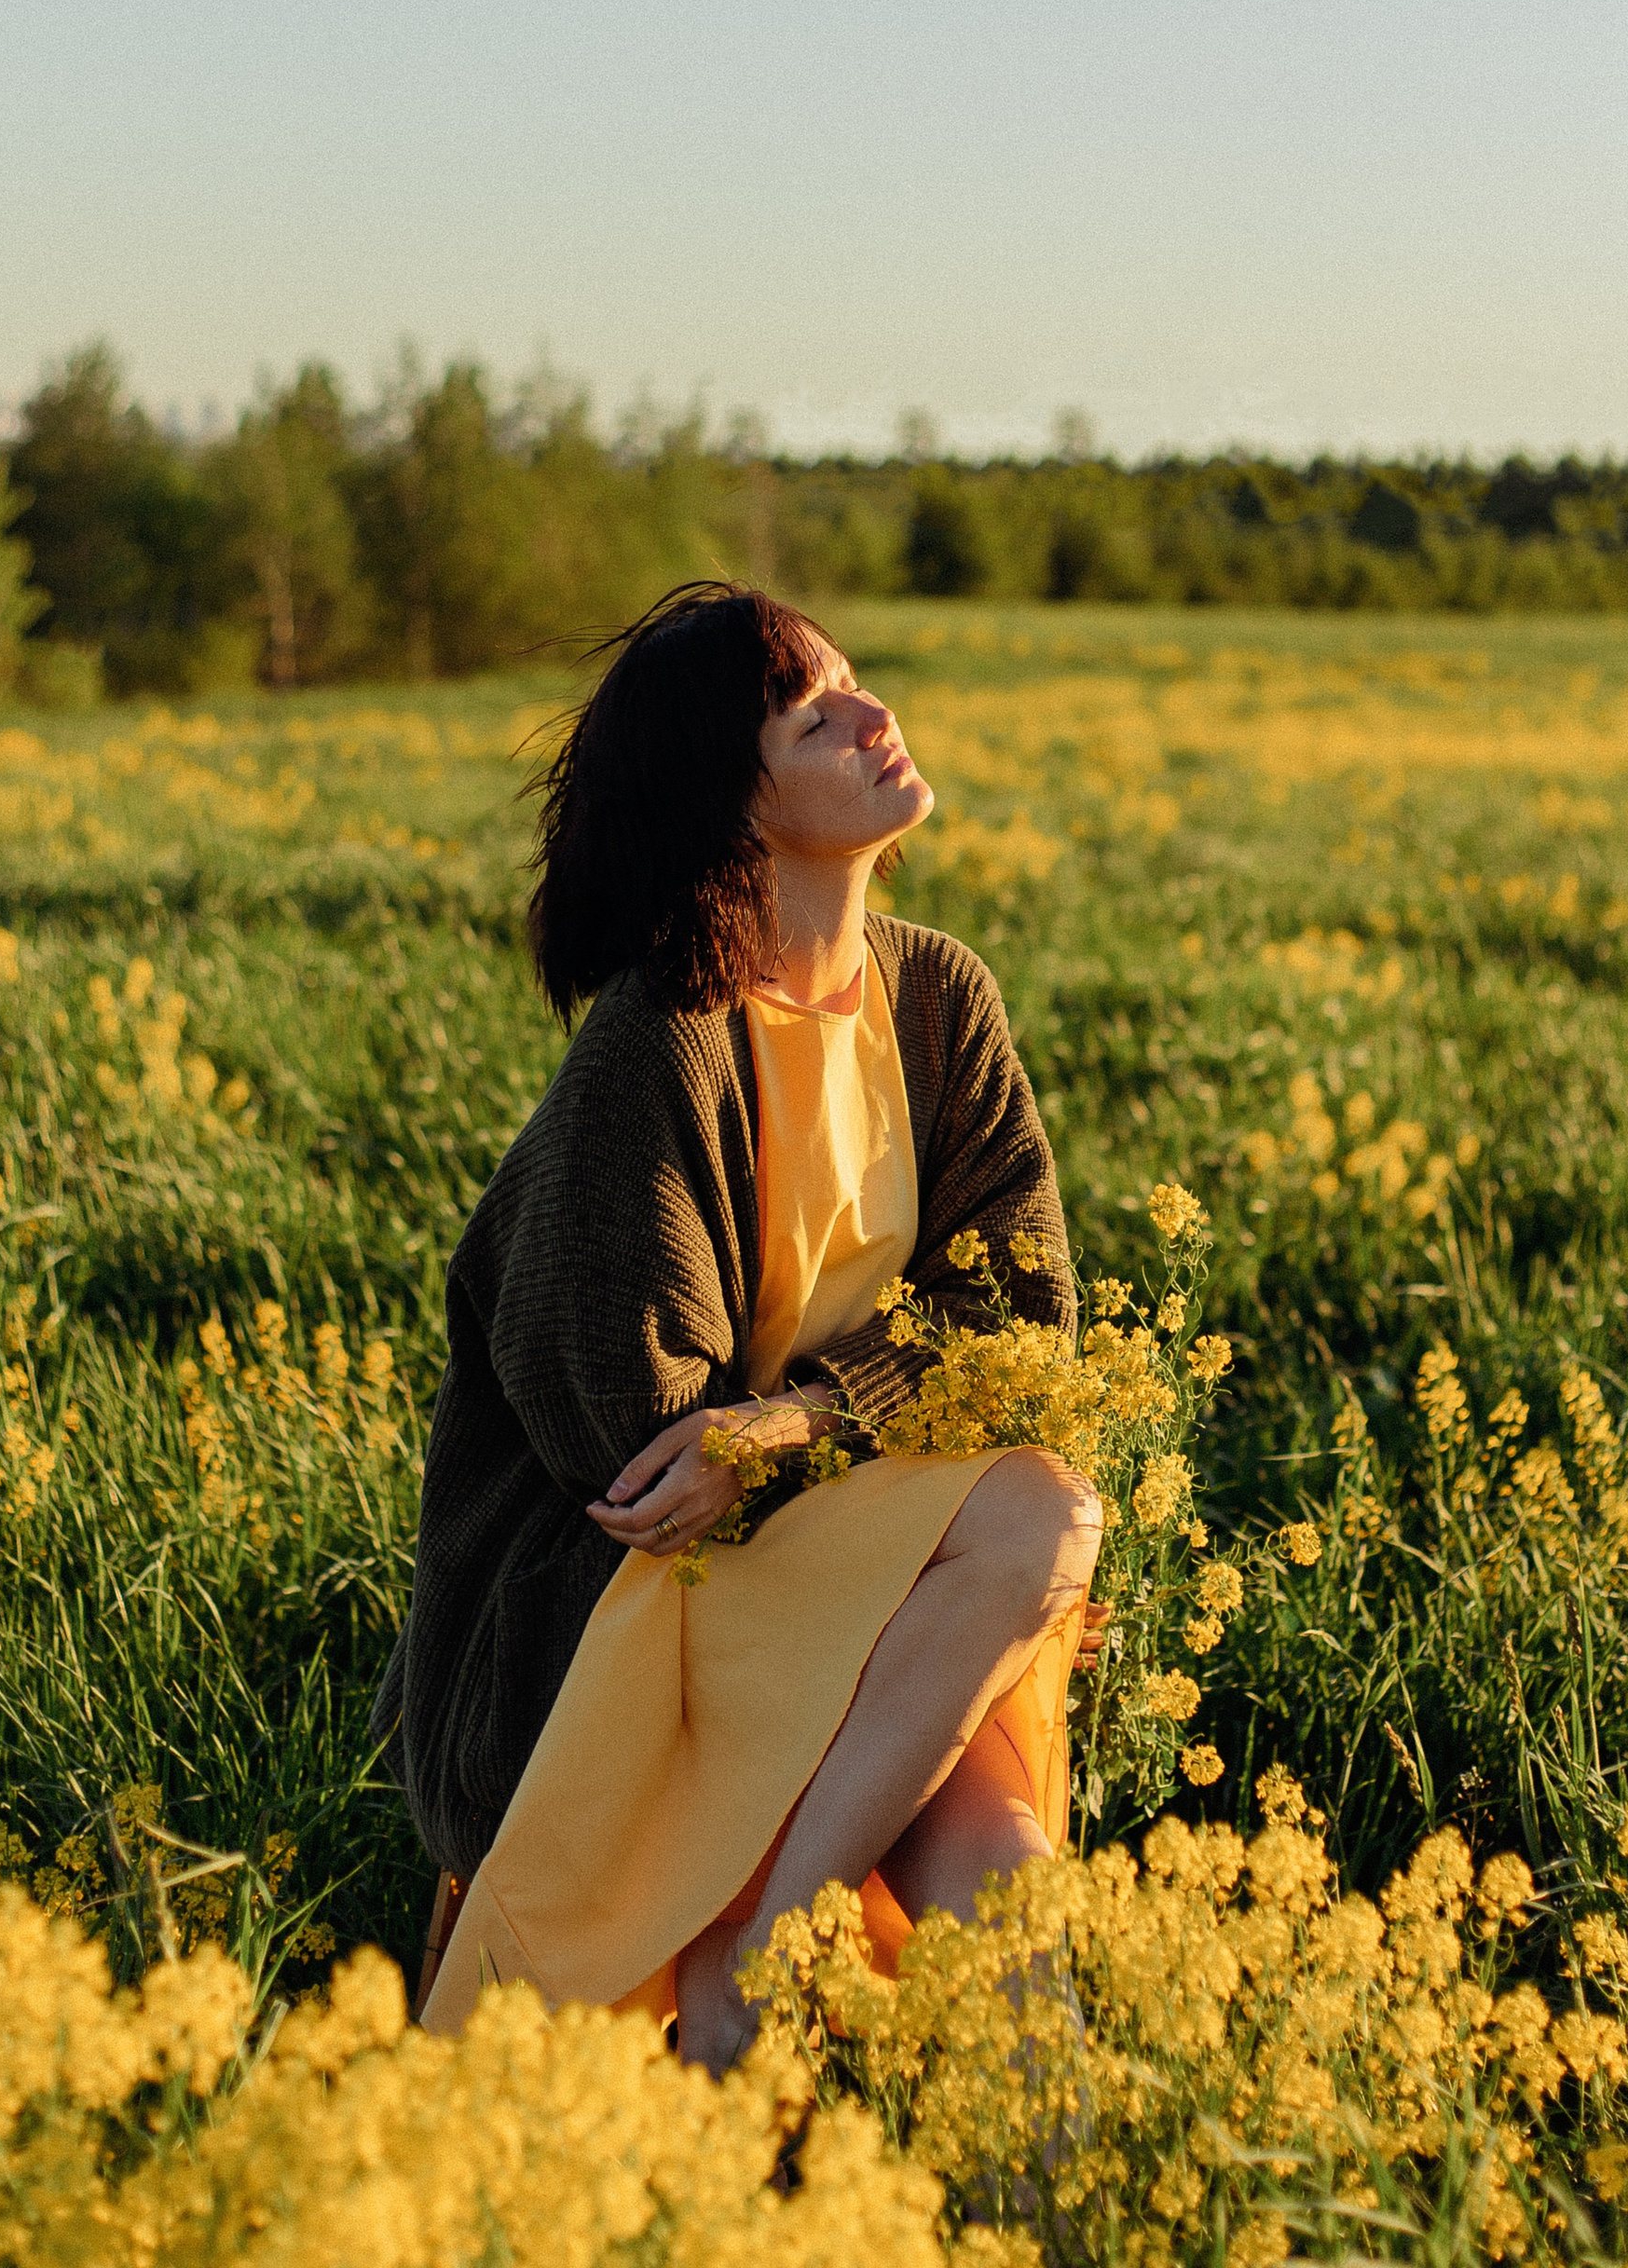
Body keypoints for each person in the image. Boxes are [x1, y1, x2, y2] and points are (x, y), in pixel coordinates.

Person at [372, 581, 1101, 2073]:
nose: (870, 714)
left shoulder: (938, 996)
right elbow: (643, 1457)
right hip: (620, 1606)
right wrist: (808, 1444)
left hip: (834, 1542)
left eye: (853, 681)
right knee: (1039, 1514)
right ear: (734, 803)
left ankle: (1048, 2199)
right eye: (809, 711)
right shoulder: (660, 1042)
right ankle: (767, 1950)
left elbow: (1025, 1314)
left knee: (1009, 1869)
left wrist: (803, 1422)